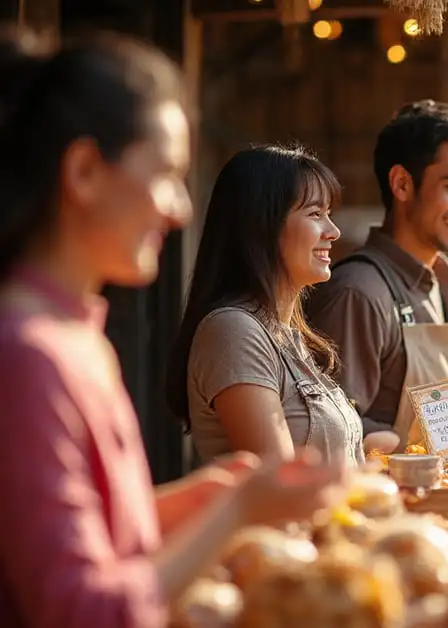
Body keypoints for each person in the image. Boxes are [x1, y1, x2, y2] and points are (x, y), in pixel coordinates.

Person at [0, 29, 345, 627]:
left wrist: (199, 500)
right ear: (83, 171)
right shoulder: (25, 354)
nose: (180, 207)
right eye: (164, 174)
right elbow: (81, 612)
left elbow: (99, 536)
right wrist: (235, 512)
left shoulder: (76, 336)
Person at [307, 100, 448, 455]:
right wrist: (410, 447)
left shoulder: (445, 281)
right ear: (401, 184)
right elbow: (327, 430)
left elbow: (417, 384)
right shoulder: (360, 293)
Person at [166, 144, 364, 466]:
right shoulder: (234, 329)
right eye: (315, 214)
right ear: (263, 226)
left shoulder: (286, 335)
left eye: (329, 214)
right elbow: (281, 481)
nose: (334, 231)